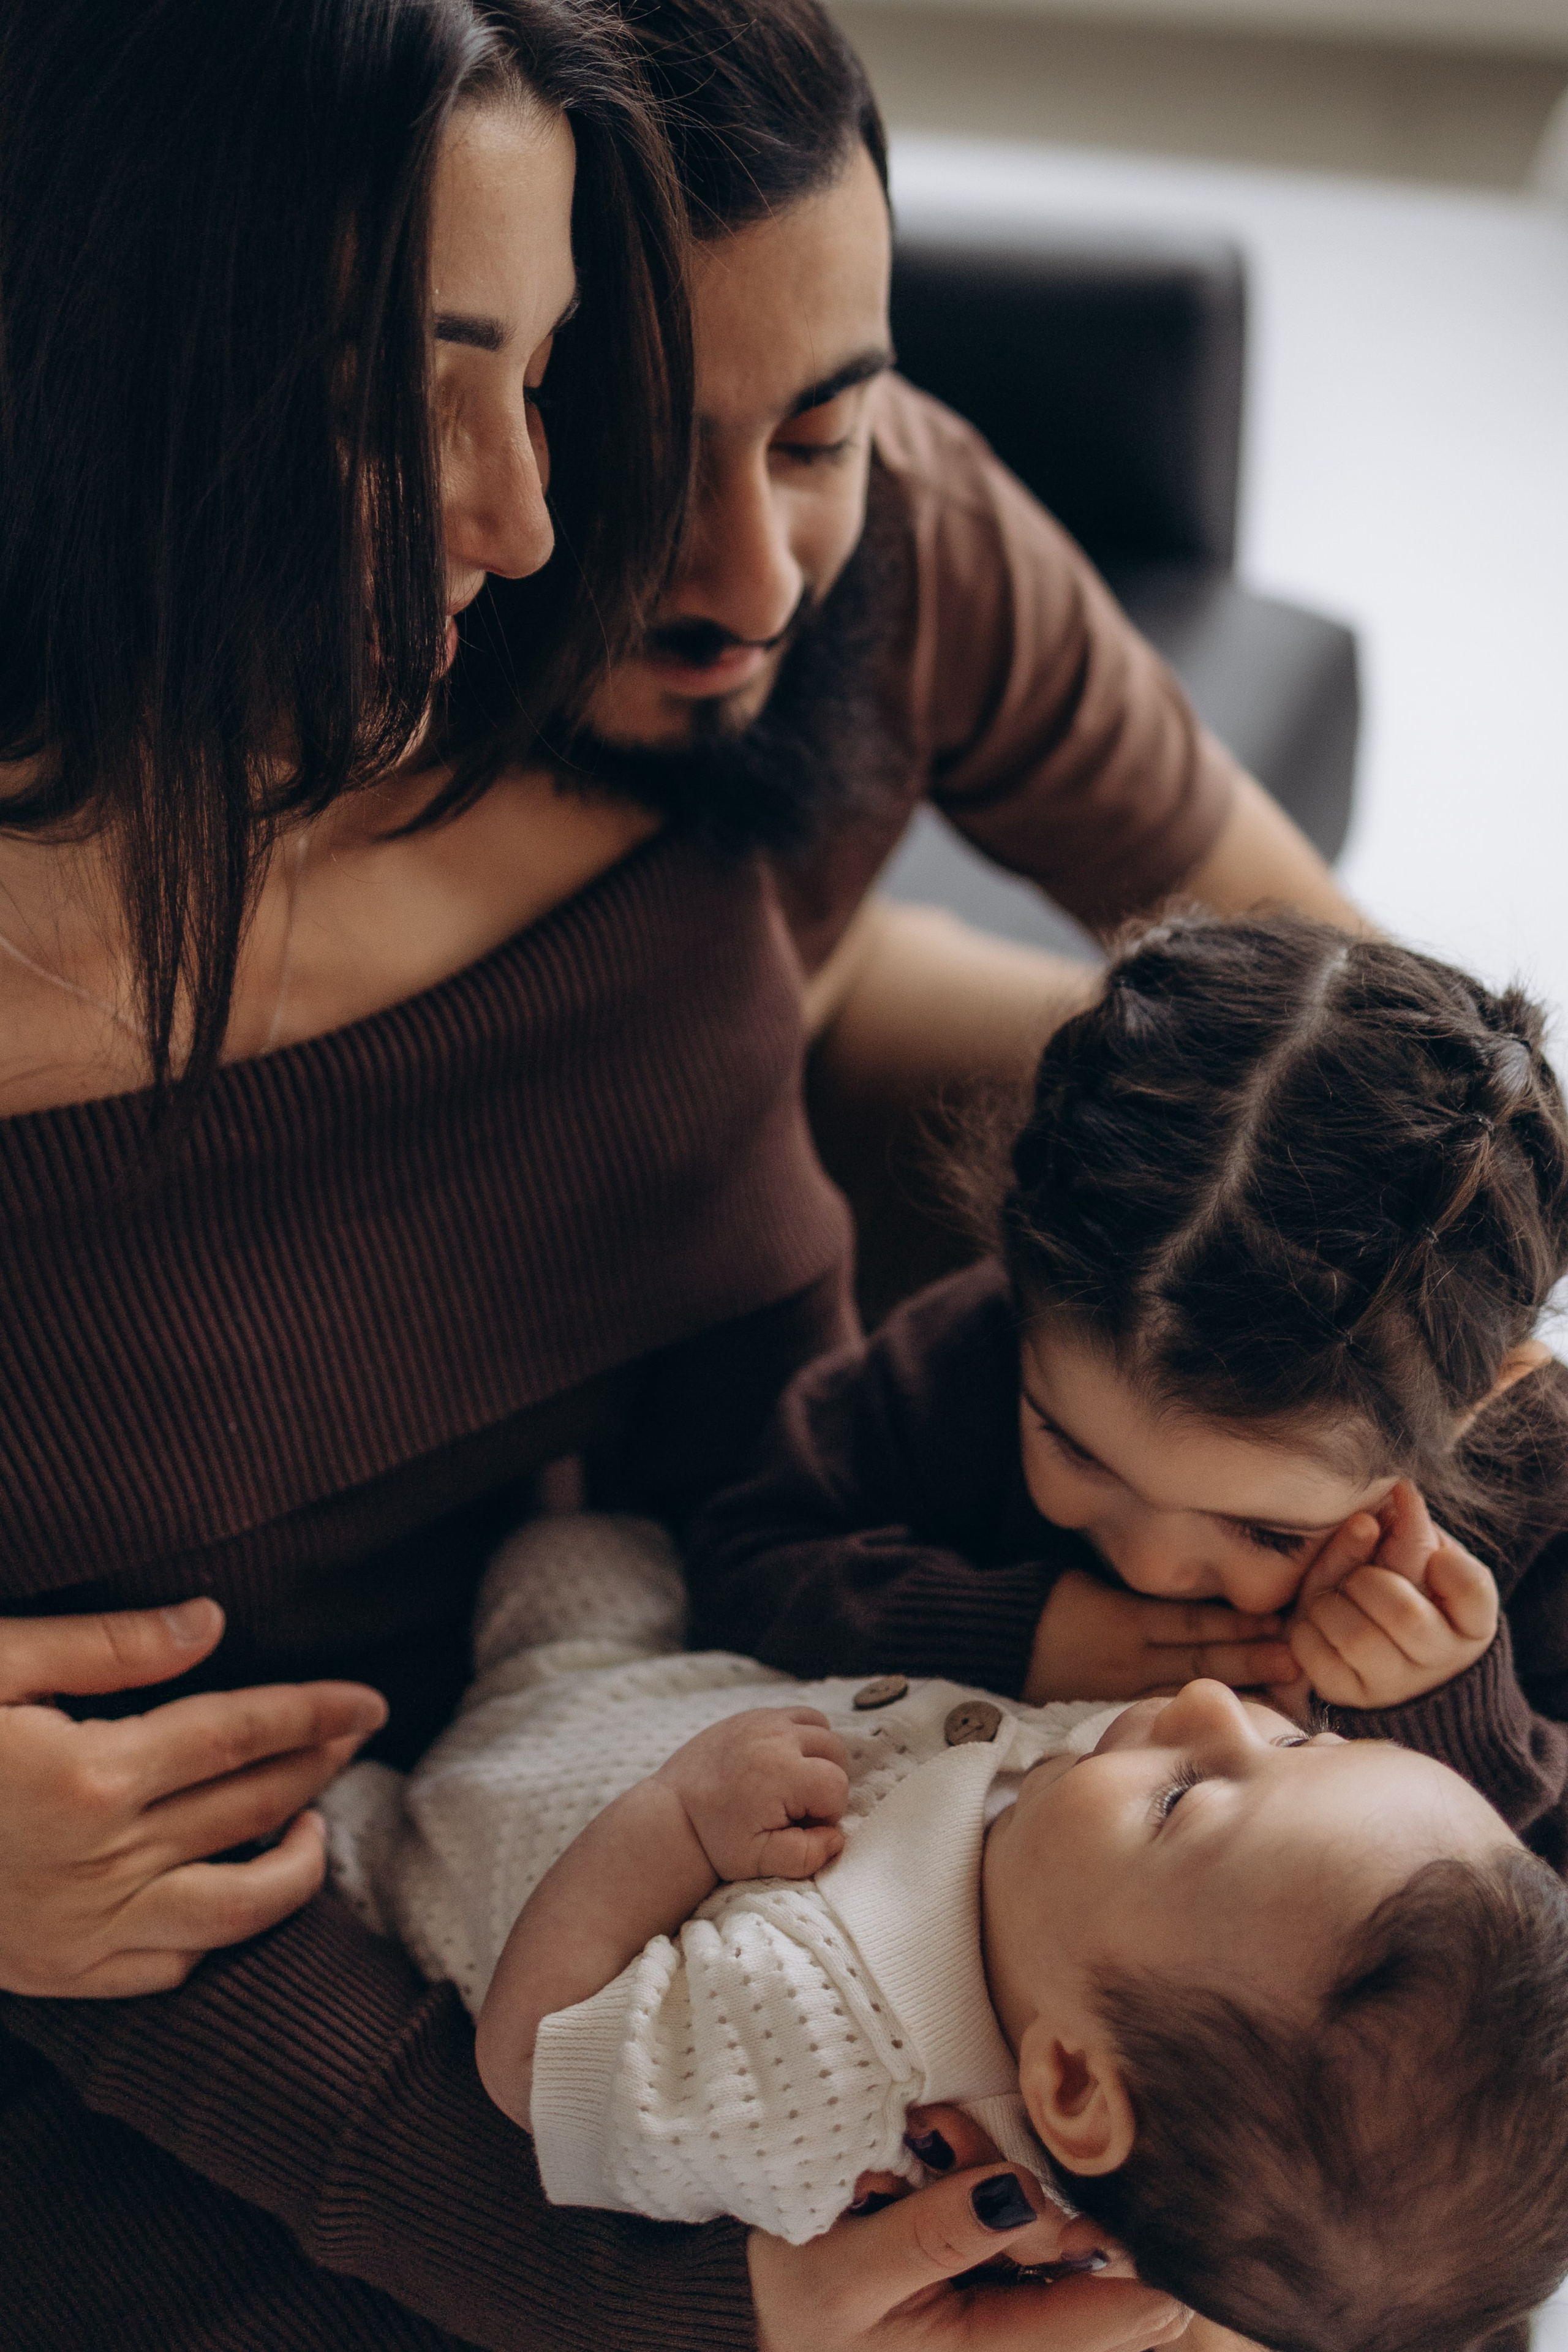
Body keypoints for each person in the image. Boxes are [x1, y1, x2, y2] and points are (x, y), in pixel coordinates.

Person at [2, 8, 1194, 2351]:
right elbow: (147, 1933)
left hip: (673, 1974)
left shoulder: (635, 809)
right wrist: (690, 2307)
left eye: (542, 387)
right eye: (409, 399)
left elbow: (790, 1519)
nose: (536, 521)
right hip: (202, 2120)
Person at [549, 0, 1371, 1313]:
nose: (758, 580)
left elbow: (1333, 995)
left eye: (817, 436)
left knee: (1329, 1223)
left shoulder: (918, 517)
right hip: (509, 1214)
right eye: (639, 465)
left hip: (816, 1015)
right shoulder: (295, 638)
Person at [316, 1515, 1568, 2352]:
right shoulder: (1105, 1916)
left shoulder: (820, 2064)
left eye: (1187, 1799)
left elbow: (533, 2064)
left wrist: (675, 1826)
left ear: (1069, 2083)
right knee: (584, 1538)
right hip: (628, 1677)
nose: (1209, 1705)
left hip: (447, 1854)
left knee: (296, 1829)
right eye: (1299, 1741)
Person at [688, 914, 1568, 1881]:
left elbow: (1535, 1939)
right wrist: (1017, 1633)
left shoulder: (1543, 1489)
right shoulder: (995, 1341)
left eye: (1270, 1533)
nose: (1150, 1569)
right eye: (1075, 1451)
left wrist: (1441, 1710)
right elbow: (744, 1557)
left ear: (1480, 1400)